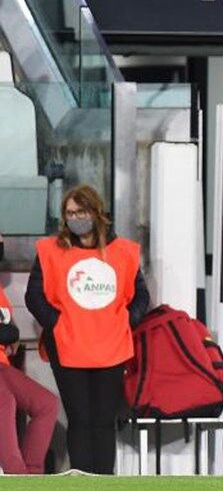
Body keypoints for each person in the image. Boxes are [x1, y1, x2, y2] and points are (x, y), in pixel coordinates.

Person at [25, 185, 150, 475]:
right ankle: (81, 482)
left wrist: (125, 321)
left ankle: (103, 482)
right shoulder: (50, 251)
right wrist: (57, 324)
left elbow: (141, 296)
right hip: (67, 348)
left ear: (96, 212)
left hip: (111, 348)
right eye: (69, 213)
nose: (75, 218)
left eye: (81, 212)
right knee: (80, 420)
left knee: (104, 422)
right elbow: (34, 296)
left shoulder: (124, 252)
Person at [0, 279, 58, 475]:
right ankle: (16, 476)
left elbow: (10, 331)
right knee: (4, 400)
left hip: (2, 363)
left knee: (46, 404)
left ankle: (32, 478)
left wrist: (9, 334)